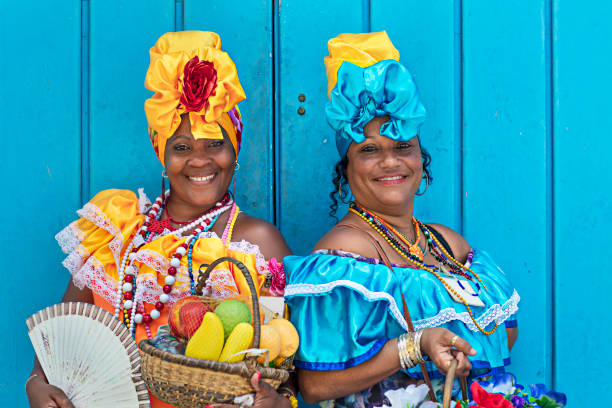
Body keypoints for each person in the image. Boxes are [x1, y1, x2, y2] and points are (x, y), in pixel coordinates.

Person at [26, 31, 296, 408]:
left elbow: (287, 370)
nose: (199, 160)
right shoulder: (116, 231)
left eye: (215, 144)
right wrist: (37, 384)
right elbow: (65, 333)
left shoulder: (257, 242)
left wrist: (279, 404)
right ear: (162, 155)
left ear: (235, 150)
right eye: (181, 147)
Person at [283, 31, 519, 407]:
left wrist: (456, 348)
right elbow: (314, 386)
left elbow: (503, 331)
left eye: (402, 147)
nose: (390, 162)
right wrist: (414, 347)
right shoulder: (341, 255)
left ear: (420, 158)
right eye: (370, 150)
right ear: (347, 167)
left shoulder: (446, 242)